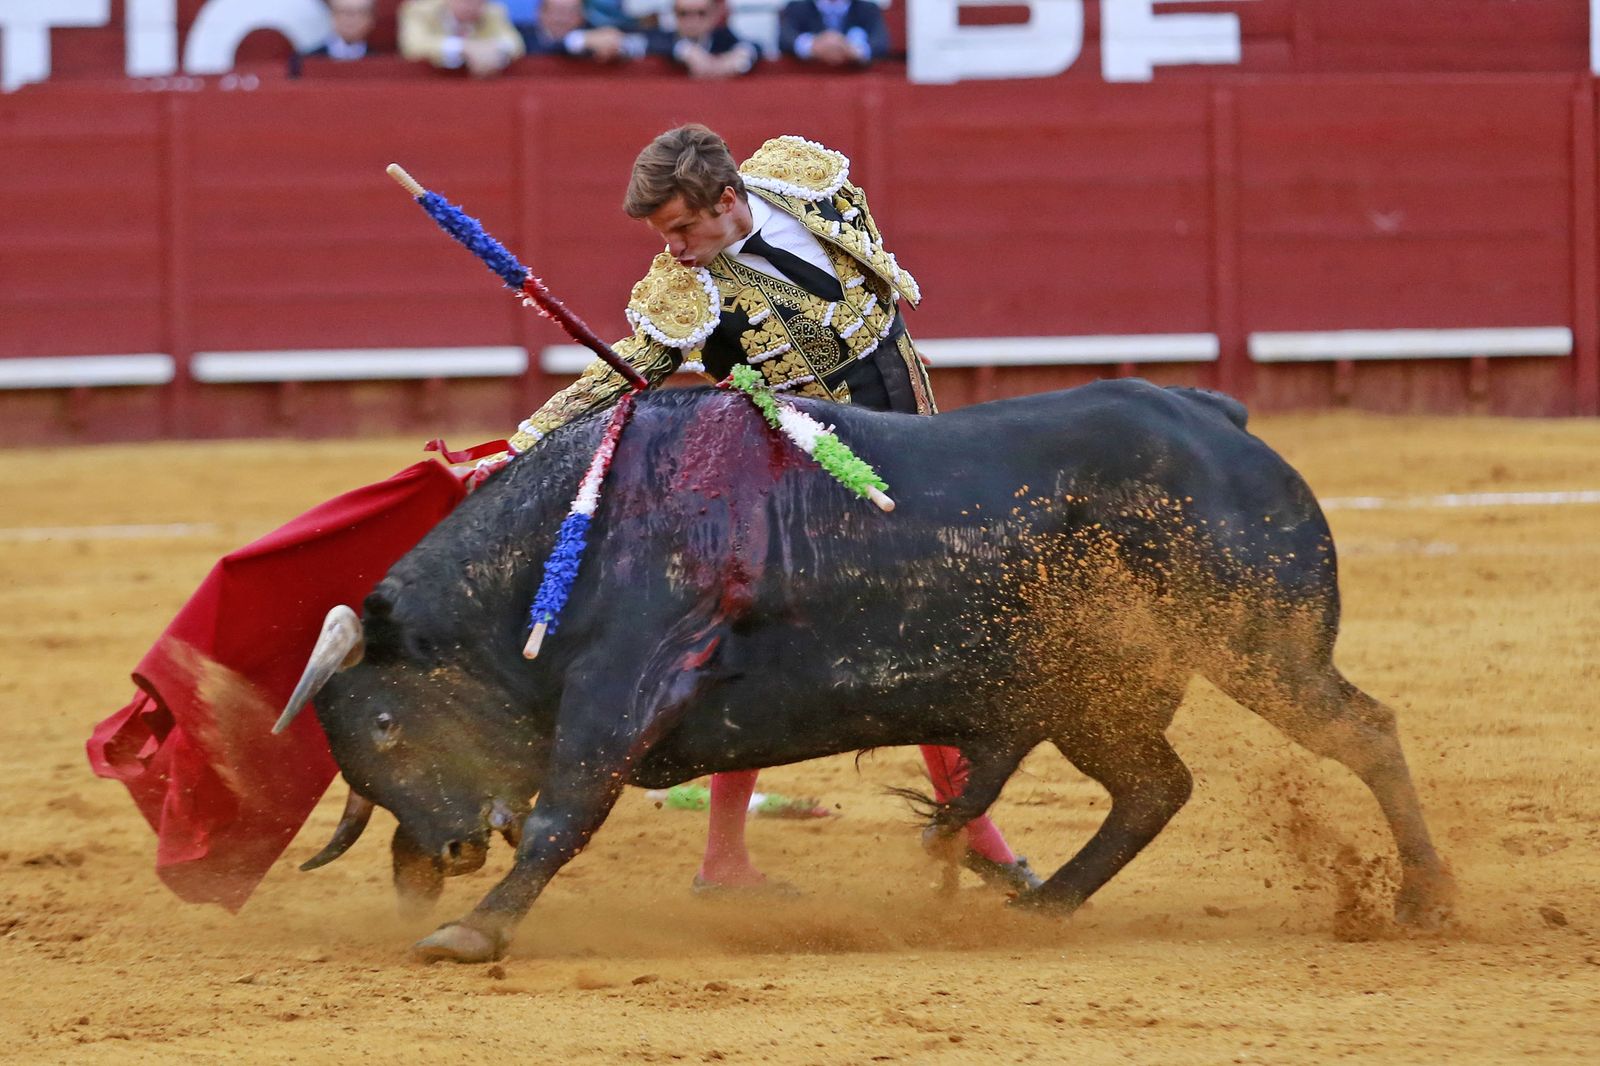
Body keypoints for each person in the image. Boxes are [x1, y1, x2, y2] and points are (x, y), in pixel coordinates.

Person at [506, 124, 1039, 896]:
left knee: (923, 634)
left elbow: (875, 299)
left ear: (728, 199)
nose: (674, 250)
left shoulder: (807, 179)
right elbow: (614, 378)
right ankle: (962, 838)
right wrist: (522, 444)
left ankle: (746, 860)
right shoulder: (685, 293)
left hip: (919, 445)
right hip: (811, 487)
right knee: (882, 641)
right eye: (663, 235)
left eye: (683, 228)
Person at [399, 0, 526, 77]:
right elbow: (412, 45)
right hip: (430, 83)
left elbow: (516, 44)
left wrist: (493, 49)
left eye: (479, 2)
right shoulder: (419, 10)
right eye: (466, 1)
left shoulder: (492, 12)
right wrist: (463, 47)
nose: (472, 6)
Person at [652, 0, 758, 79]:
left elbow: (754, 45)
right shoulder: (664, 39)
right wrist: (686, 51)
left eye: (701, 13)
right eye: (683, 13)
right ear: (674, 14)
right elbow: (651, 43)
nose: (692, 20)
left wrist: (741, 55)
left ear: (714, 15)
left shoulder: (723, 37)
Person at [522, 0, 651, 61]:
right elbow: (548, 47)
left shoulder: (595, 33)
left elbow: (645, 42)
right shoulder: (523, 35)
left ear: (582, 15)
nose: (562, 19)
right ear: (540, 12)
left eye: (570, 12)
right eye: (557, 12)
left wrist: (618, 46)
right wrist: (581, 40)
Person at [777, 0, 890, 67]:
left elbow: (881, 42)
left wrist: (854, 50)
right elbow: (785, 38)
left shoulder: (868, 9)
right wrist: (813, 45)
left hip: (856, 83)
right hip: (810, 83)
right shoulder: (797, 8)